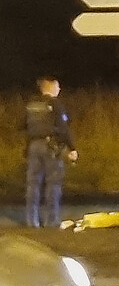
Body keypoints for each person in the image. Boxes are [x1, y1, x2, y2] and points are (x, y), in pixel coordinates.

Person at [24, 77, 77, 228]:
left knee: (32, 184)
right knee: (53, 183)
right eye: (58, 87)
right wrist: (72, 148)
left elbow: (23, 125)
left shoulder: (31, 104)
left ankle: (31, 221)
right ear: (51, 88)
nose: (59, 90)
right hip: (50, 147)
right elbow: (63, 128)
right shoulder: (55, 104)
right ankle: (51, 221)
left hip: (33, 146)